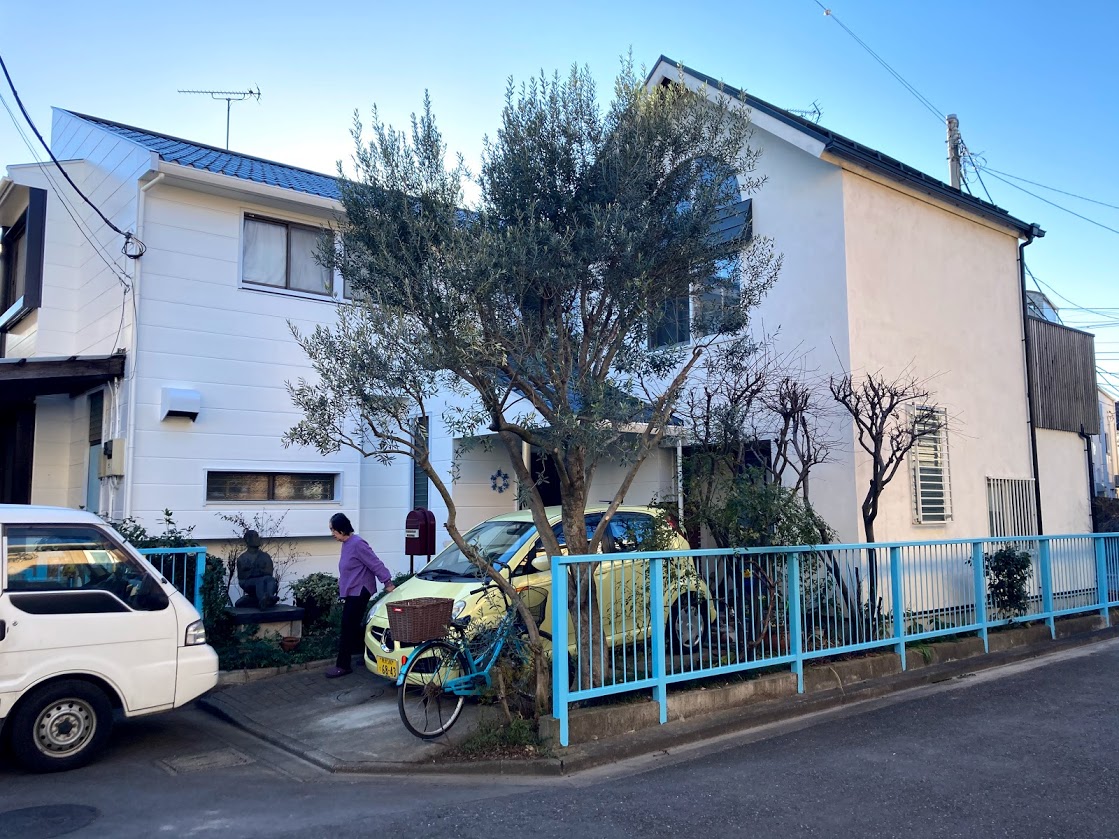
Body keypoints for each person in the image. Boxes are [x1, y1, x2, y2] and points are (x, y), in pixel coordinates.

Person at [325, 513, 395, 678]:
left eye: (333, 530)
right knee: (355, 625)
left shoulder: (357, 543)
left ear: (342, 529)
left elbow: (374, 563)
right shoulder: (347, 543)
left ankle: (343, 666)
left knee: (347, 626)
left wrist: (388, 582)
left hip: (360, 590)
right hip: (353, 590)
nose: (332, 534)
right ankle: (369, 655)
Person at [234, 530, 279, 609]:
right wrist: (256, 572)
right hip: (248, 582)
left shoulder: (265, 556)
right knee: (260, 581)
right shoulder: (242, 558)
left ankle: (269, 596)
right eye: (255, 537)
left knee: (270, 580)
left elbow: (269, 572)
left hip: (264, 579)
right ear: (248, 540)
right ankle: (263, 599)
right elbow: (242, 577)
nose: (258, 539)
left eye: (258, 536)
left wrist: (255, 571)